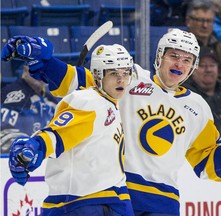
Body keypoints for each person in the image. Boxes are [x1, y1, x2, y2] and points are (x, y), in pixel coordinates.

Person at [2, 30, 221, 216]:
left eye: (186, 59)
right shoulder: (130, 76)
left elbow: (209, 166)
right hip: (117, 194)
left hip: (163, 204)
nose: (179, 63)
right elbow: (76, 81)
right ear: (159, 56)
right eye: (173, 56)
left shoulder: (199, 108)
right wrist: (44, 63)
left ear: (193, 66)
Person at [7, 42, 136, 215]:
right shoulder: (90, 102)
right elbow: (59, 133)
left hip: (111, 199)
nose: (121, 79)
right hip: (85, 203)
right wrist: (36, 147)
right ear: (98, 75)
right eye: (114, 74)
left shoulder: (112, 99)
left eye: (125, 73)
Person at [1, 65, 58, 154]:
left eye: (44, 69)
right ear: (25, 69)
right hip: (18, 155)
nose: (40, 73)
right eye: (36, 69)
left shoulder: (51, 101)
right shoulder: (9, 94)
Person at [184, 0, 221, 83]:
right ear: (188, 21)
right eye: (200, 20)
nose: (205, 26)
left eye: (209, 21)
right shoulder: (180, 48)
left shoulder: (220, 48)